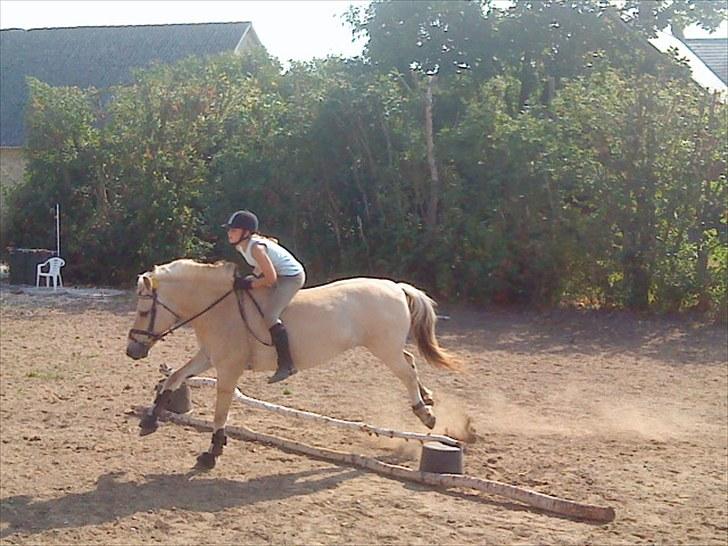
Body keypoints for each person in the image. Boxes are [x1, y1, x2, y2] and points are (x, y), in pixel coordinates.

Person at [223, 210, 305, 383]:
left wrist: (249, 284)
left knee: (270, 316)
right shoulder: (242, 246)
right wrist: (250, 279)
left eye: (234, 230)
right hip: (276, 274)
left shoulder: (256, 247)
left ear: (246, 232)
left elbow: (271, 278)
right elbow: (261, 268)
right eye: (229, 230)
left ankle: (287, 364)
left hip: (290, 277)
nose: (229, 233)